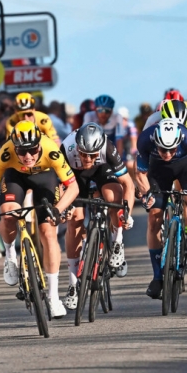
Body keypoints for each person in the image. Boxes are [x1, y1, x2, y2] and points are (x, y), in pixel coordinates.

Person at [0, 120, 80, 318]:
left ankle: (53, 296)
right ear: (14, 147)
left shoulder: (51, 150)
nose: (28, 156)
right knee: (8, 214)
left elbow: (73, 187)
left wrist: (58, 209)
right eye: (22, 152)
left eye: (33, 150)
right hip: (16, 177)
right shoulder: (7, 151)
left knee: (48, 232)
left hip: (45, 178)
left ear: (39, 145)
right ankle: (10, 256)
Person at [60, 123, 135, 310]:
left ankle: (117, 243)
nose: (87, 158)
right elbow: (60, 186)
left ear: (99, 149)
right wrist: (63, 207)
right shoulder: (66, 148)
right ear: (77, 146)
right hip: (75, 177)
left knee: (114, 197)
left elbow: (128, 185)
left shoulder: (108, 148)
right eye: (83, 153)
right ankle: (72, 284)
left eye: (92, 155)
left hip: (102, 171)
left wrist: (126, 214)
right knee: (75, 222)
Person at [136, 118, 187, 299]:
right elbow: (140, 173)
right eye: (163, 149)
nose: (168, 153)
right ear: (156, 142)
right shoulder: (145, 139)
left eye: (172, 149)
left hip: (186, 167)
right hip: (158, 170)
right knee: (154, 218)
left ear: (179, 142)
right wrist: (147, 194)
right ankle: (157, 277)